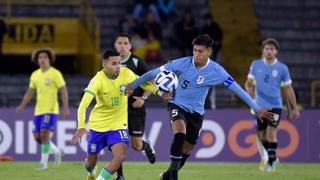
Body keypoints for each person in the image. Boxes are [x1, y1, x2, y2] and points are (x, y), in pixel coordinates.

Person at [125, 34, 274, 180]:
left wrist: (256, 107)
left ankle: (168, 174)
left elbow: (237, 89)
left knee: (188, 149)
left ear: (209, 51)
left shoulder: (217, 71)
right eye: (194, 50)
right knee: (180, 133)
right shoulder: (182, 63)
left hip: (196, 112)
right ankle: (174, 177)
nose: (196, 54)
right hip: (176, 104)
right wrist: (133, 85)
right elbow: (153, 72)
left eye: (200, 51)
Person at [71, 50, 158, 180]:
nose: (118, 66)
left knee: (120, 156)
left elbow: (144, 83)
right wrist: (81, 126)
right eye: (114, 64)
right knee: (90, 163)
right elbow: (83, 106)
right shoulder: (97, 80)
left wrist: (159, 92)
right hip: (98, 126)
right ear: (104, 64)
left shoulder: (126, 73)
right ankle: (91, 172)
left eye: (119, 63)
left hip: (118, 125)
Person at [245, 38, 300, 172]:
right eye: (266, 48)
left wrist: (294, 108)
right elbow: (248, 83)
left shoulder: (282, 68)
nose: (268, 51)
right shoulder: (256, 64)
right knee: (261, 134)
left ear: (276, 52)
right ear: (263, 51)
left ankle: (271, 162)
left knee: (271, 132)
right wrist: (250, 93)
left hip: (275, 106)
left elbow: (288, 89)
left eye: (271, 49)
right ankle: (273, 157)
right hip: (259, 107)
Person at [16, 48, 69, 169]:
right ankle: (57, 152)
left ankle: (43, 163)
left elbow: (63, 90)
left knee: (45, 134)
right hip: (38, 110)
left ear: (49, 59)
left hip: (51, 110)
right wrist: (22, 105)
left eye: (45, 57)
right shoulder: (35, 75)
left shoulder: (55, 73)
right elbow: (30, 92)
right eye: (40, 58)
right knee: (37, 137)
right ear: (37, 60)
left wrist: (65, 108)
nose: (42, 60)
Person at [114, 33, 156, 180]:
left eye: (125, 43)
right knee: (118, 143)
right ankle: (120, 176)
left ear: (130, 46)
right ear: (115, 45)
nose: (122, 46)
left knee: (136, 146)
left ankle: (146, 146)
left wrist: (143, 98)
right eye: (119, 43)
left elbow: (152, 81)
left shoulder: (137, 62)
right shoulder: (111, 62)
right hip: (117, 109)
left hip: (135, 108)